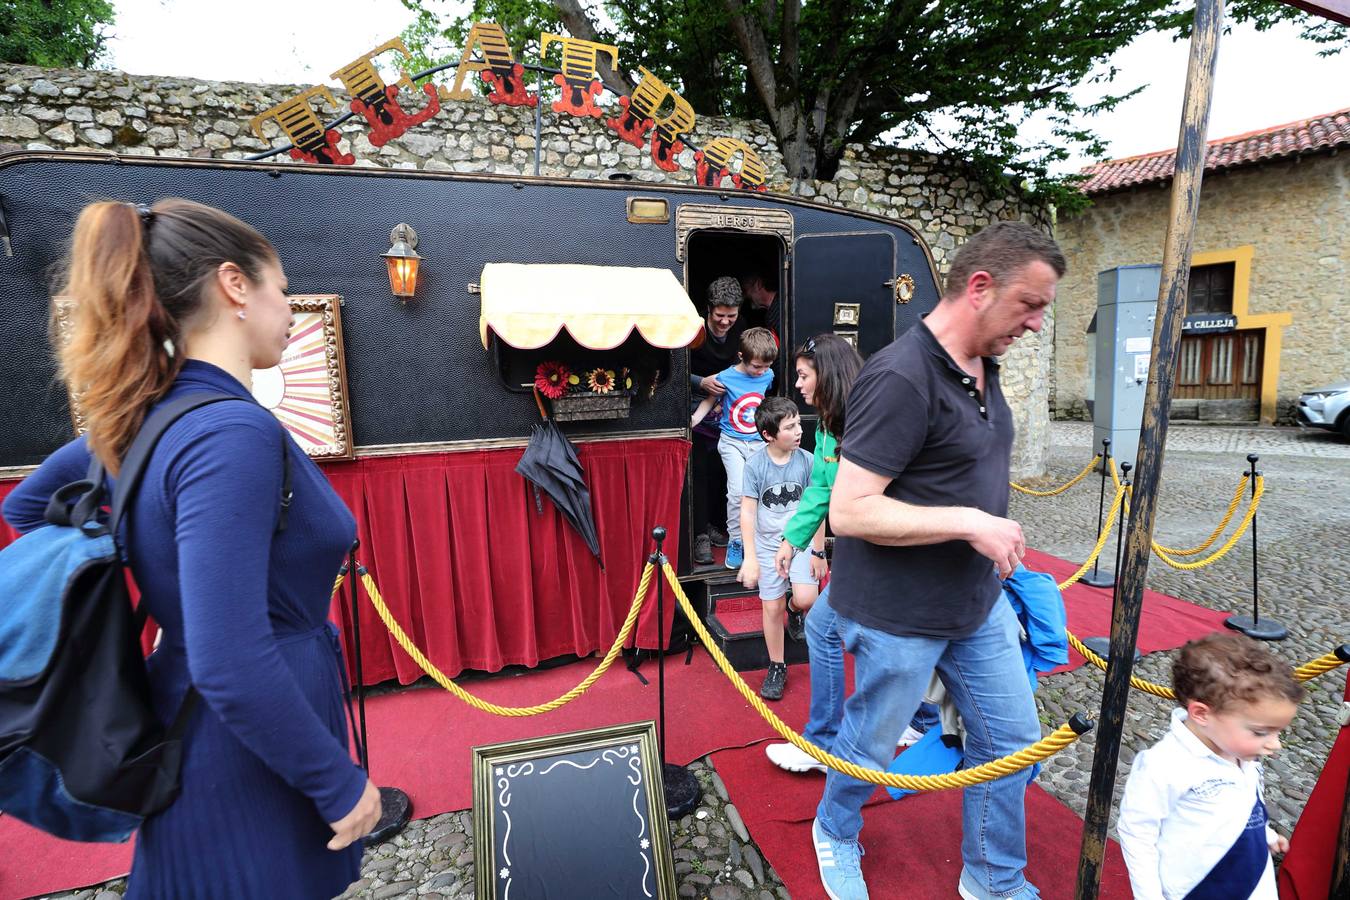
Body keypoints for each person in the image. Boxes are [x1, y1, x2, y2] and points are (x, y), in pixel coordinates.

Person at [1, 199, 380, 899]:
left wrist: (149, 564)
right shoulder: (228, 433)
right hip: (242, 744)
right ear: (236, 285)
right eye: (282, 288)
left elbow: (24, 508)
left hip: (200, 712)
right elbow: (232, 659)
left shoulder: (146, 419)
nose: (290, 312)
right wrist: (337, 782)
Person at [810, 220, 1065, 900]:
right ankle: (833, 829)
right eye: (1030, 305)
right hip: (897, 615)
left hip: (975, 605)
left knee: (1013, 745)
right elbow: (850, 511)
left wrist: (981, 526)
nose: (1037, 324)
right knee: (868, 748)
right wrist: (969, 521)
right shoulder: (899, 376)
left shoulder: (985, 364)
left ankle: (993, 880)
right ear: (979, 287)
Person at [762, 335, 937, 774]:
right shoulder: (827, 424)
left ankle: (824, 743)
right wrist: (793, 540)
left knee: (838, 631)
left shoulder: (871, 415)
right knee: (852, 631)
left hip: (892, 550)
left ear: (829, 373)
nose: (798, 385)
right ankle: (920, 718)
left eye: (804, 375)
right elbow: (822, 488)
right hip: (871, 550)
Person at [1117, 632, 1303, 900]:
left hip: (1251, 877)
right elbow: (1137, 832)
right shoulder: (1164, 764)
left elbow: (1244, 802)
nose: (1275, 745)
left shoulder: (1237, 749)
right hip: (1199, 886)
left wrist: (1265, 834)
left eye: (1278, 733)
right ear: (1202, 714)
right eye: (1262, 732)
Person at [736, 396, 816, 701]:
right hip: (768, 544)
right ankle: (777, 665)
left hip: (800, 540)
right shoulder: (756, 465)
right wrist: (751, 558)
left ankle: (795, 611)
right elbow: (747, 512)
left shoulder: (807, 460)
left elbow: (815, 507)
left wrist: (819, 551)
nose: (798, 431)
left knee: (806, 596)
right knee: (771, 606)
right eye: (790, 427)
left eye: (798, 423)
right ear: (769, 435)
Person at [691, 326, 778, 570]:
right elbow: (711, 398)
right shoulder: (726, 376)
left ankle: (758, 541)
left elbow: (763, 401)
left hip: (759, 442)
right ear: (742, 357)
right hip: (732, 442)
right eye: (757, 366)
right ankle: (737, 541)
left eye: (766, 366)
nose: (761, 371)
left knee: (760, 493)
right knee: (738, 492)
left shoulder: (768, 375)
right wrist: (695, 419)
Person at [688, 276, 744, 564]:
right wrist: (701, 383)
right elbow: (673, 371)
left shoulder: (741, 333)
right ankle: (699, 535)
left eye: (731, 316)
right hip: (696, 410)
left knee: (724, 474)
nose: (725, 322)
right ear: (708, 310)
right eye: (720, 316)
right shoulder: (694, 331)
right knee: (698, 471)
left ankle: (718, 526)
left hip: (729, 413)